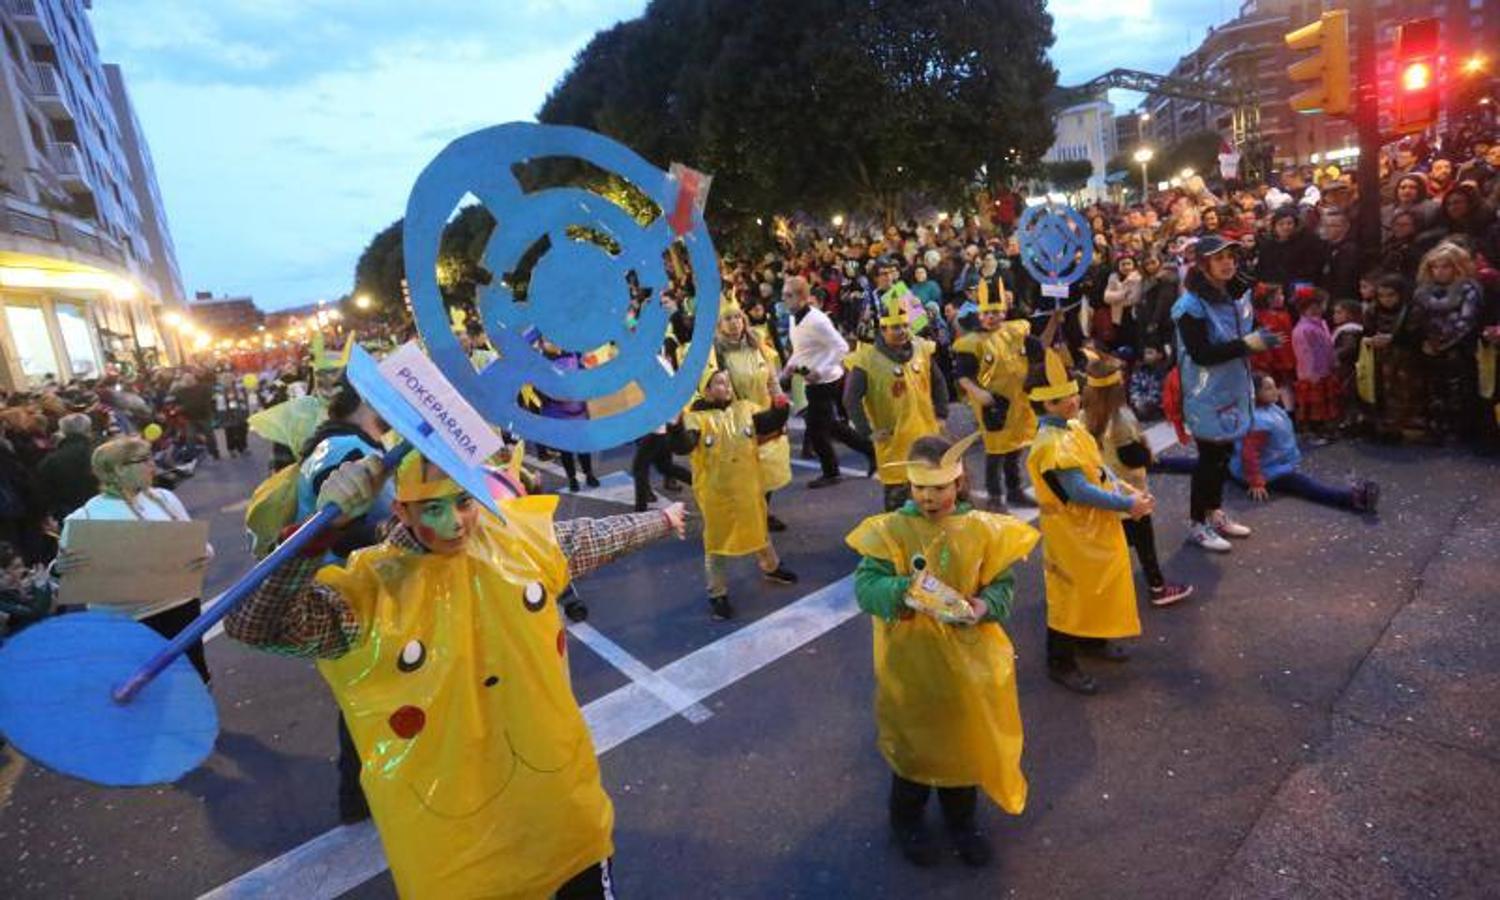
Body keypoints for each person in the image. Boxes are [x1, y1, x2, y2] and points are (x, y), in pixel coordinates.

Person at [226, 450, 687, 898]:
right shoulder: (369, 594)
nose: (455, 523)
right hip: (456, 852)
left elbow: (591, 538)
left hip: (560, 813)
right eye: (433, 508)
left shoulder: (516, 544)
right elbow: (257, 624)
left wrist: (662, 522)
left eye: (464, 501)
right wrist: (313, 538)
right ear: (402, 510)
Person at [845, 431, 1039, 868]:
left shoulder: (984, 530)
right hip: (910, 665)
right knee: (914, 751)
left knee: (963, 746)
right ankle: (906, 821)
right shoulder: (890, 531)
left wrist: (983, 605)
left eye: (938, 487)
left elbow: (1002, 587)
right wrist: (904, 590)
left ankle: (962, 823)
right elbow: (866, 589)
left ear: (959, 483)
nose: (929, 497)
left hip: (969, 665)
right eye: (919, 488)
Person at [1026, 349, 1152, 695]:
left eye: (1070, 393)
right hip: (1071, 533)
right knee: (1070, 593)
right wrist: (1127, 503)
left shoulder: (1072, 427)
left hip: (1094, 527)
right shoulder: (1051, 446)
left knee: (1098, 584)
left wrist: (1124, 487)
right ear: (1041, 406)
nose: (1068, 401)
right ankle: (1060, 660)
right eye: (1057, 401)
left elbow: (1097, 467)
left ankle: (1091, 639)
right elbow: (1079, 490)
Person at [53, 436, 214, 683]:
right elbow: (64, 574)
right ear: (118, 469)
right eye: (144, 460)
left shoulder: (164, 498)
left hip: (181, 607)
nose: (153, 465)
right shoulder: (83, 518)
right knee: (148, 689)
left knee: (195, 677)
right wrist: (59, 569)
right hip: (127, 622)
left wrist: (201, 555)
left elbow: (201, 549)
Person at [1171, 235, 1280, 554]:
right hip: (1206, 393)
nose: (1228, 262)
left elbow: (1246, 328)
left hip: (1233, 387)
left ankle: (1214, 512)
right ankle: (1197, 524)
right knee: (1208, 460)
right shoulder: (1189, 306)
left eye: (1231, 256)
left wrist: (1257, 337)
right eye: (1219, 258)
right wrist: (1248, 345)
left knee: (1222, 456)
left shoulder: (1237, 295)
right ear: (1203, 265)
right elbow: (1201, 353)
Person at [674, 369, 798, 620]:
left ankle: (771, 567)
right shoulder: (696, 419)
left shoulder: (746, 410)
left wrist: (780, 402)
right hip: (716, 495)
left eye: (728, 381)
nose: (727, 386)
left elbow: (771, 421)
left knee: (758, 528)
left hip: (748, 488)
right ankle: (717, 592)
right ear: (706, 390)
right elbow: (683, 445)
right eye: (719, 383)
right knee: (717, 542)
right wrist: (676, 424)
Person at [1081, 355, 1192, 607]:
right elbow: (1132, 457)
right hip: (1130, 495)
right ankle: (1158, 587)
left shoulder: (1082, 414)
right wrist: (1147, 453)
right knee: (1144, 545)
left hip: (1103, 492)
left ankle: (1099, 587)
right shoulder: (1119, 420)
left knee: (1109, 544)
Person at [846, 297, 950, 511]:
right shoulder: (866, 360)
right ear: (883, 329)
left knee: (929, 496)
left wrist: (941, 414)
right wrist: (867, 432)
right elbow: (850, 399)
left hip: (926, 436)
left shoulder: (921, 349)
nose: (902, 331)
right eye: (895, 327)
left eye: (904, 325)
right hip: (895, 444)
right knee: (898, 506)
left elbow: (938, 382)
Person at [1230, 374, 1379, 513]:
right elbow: (1248, 454)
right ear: (1254, 394)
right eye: (1268, 388)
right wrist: (1256, 481)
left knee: (1301, 481)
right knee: (1305, 485)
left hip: (1273, 463)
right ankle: (1352, 499)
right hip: (1267, 472)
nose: (1276, 391)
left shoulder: (1270, 409)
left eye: (1275, 386)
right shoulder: (1259, 421)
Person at [780, 275, 874, 488]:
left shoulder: (817, 320)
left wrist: (820, 371)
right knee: (830, 426)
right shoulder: (795, 317)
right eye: (783, 295)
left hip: (825, 380)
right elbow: (802, 350)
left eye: (788, 295)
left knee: (816, 430)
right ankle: (870, 451)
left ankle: (831, 472)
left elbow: (841, 347)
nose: (784, 299)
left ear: (803, 297)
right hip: (810, 378)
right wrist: (789, 367)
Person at [951, 280, 1038, 512]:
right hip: (994, 404)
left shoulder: (1015, 331)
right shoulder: (972, 343)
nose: (992, 317)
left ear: (1004, 311)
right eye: (987, 313)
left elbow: (1038, 350)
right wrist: (980, 394)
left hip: (1018, 401)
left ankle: (1015, 489)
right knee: (995, 451)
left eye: (996, 312)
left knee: (1015, 447)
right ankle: (995, 495)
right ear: (980, 314)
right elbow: (962, 376)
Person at [712, 305, 793, 532]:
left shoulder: (757, 344)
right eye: (728, 318)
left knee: (767, 469)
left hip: (767, 415)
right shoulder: (717, 354)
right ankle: (747, 514)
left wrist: (780, 402)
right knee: (744, 472)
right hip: (738, 421)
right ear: (719, 325)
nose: (735, 322)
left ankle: (763, 513)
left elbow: (772, 379)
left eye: (738, 316)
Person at [1413, 241, 1483, 442]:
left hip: (1459, 347)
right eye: (1435, 267)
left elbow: (1466, 321)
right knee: (1434, 387)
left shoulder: (1469, 289)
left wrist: (1442, 343)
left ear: (1457, 267)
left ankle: (1460, 429)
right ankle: (1436, 426)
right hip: (1429, 345)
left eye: (1445, 266)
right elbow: (1418, 318)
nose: (1439, 271)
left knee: (1458, 388)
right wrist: (1425, 340)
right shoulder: (1423, 291)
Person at [1290, 287, 1340, 442]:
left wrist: (1332, 362)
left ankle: (1324, 429)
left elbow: (1327, 346)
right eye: (1322, 304)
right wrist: (1311, 373)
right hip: (1312, 374)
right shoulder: (1303, 329)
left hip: (1325, 370)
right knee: (1313, 404)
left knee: (1324, 402)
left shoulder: (1320, 324)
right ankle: (1313, 430)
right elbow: (1305, 354)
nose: (1325, 307)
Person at [35, 412, 98, 521]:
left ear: (63, 431)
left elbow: (43, 490)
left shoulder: (53, 459)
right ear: (89, 429)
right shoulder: (98, 454)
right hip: (99, 509)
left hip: (65, 512)